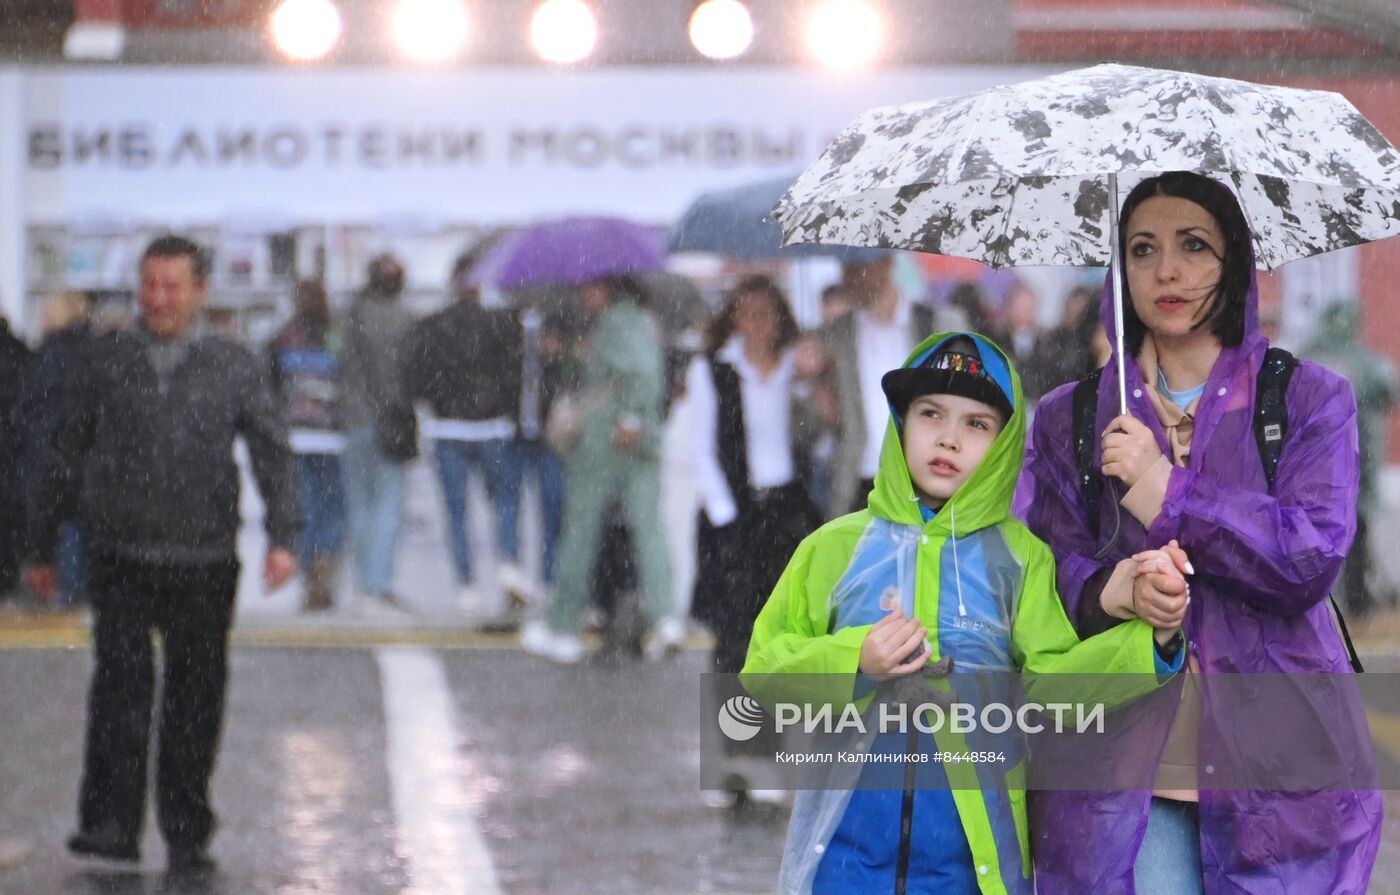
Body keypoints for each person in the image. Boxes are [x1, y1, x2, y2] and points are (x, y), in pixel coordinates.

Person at [1016, 171, 1381, 893]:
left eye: (1194, 246)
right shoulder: (1070, 416)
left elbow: (1307, 557)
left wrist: (1165, 490)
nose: (1168, 271)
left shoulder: (1307, 398)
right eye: (1142, 249)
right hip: (1122, 778)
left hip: (1276, 778)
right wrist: (1108, 589)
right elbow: (1036, 572)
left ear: (1234, 260)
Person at [742, 332, 1185, 895]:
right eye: (931, 414)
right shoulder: (833, 549)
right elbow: (764, 670)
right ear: (901, 422)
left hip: (968, 868)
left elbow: (1052, 686)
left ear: (1003, 445)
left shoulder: (1019, 559)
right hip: (841, 864)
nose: (948, 439)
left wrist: (1152, 645)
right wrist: (856, 661)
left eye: (976, 424)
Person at [26, 235, 298, 874]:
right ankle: (109, 826)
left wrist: (285, 534)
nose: (159, 299)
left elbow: (270, 448)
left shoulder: (234, 364)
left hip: (203, 557)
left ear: (201, 291)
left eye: (173, 286)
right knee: (119, 691)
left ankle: (186, 826)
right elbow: (64, 451)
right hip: (119, 551)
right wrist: (40, 543)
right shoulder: (107, 359)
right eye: (150, 285)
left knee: (195, 696)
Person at [686, 276, 825, 803]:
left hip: (787, 513)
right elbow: (701, 451)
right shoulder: (714, 370)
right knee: (733, 639)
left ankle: (768, 757)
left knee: (779, 640)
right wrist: (728, 518)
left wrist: (813, 385)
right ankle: (736, 759)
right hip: (734, 515)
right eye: (746, 314)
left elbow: (819, 433)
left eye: (765, 314)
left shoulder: (798, 367)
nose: (756, 325)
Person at [522, 274, 679, 663]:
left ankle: (562, 626)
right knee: (648, 532)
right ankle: (665, 616)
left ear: (604, 287)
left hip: (604, 443)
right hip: (634, 442)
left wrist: (629, 418)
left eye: (587, 287)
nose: (581, 294)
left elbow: (641, 375)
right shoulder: (638, 320)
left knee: (580, 534)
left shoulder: (618, 322)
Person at [401, 252, 527, 620]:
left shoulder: (432, 327)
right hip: (493, 426)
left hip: (447, 426)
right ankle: (508, 564)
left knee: (456, 511)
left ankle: (466, 586)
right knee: (503, 501)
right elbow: (515, 375)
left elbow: (416, 379)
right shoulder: (501, 326)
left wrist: (439, 401)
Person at [819, 254, 939, 518]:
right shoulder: (835, 333)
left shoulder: (934, 324)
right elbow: (814, 418)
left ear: (886, 264)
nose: (848, 278)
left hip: (923, 481)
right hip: (860, 482)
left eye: (857, 267)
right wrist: (816, 391)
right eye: (845, 268)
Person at [1303, 301, 1399, 616]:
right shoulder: (1365, 361)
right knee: (1355, 531)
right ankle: (1358, 602)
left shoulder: (1306, 357)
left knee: (1313, 534)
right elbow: (1388, 389)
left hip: (1315, 468)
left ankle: (1315, 600)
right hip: (1357, 462)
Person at [339, 253, 415, 615]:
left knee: (359, 503)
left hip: (354, 417)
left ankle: (361, 585)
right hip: (392, 419)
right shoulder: (405, 319)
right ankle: (379, 583)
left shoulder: (351, 315)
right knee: (388, 502)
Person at [269, 280, 345, 613]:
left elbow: (268, 383)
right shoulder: (337, 336)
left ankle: (308, 566)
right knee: (334, 509)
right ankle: (325, 564)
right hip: (333, 435)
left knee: (305, 508)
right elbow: (351, 379)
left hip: (295, 435)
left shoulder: (284, 337)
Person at [21, 291, 92, 607]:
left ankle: (66, 595)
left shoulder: (51, 355)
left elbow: (41, 413)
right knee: (78, 525)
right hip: (88, 463)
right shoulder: (95, 351)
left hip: (57, 456)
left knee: (61, 525)